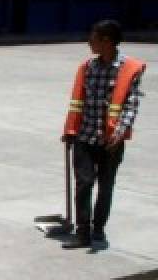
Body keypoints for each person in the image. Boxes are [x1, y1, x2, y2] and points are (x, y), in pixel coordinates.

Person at [60, 19, 145, 251]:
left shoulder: (128, 70)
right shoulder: (88, 67)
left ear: (106, 41)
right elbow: (77, 102)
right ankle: (83, 232)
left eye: (93, 38)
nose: (89, 42)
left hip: (110, 142)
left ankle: (99, 229)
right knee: (83, 184)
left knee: (105, 187)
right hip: (85, 137)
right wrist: (69, 131)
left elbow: (131, 105)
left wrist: (118, 133)